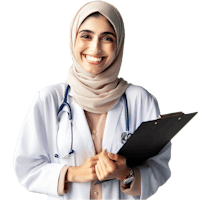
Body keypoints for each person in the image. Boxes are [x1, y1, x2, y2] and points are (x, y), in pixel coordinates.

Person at [13, 1, 172, 200]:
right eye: (86, 36)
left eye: (107, 38)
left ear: (119, 43)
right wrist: (72, 173)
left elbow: (160, 169)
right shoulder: (49, 99)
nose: (95, 48)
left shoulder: (140, 100)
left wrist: (125, 174)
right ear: (73, 39)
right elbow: (26, 169)